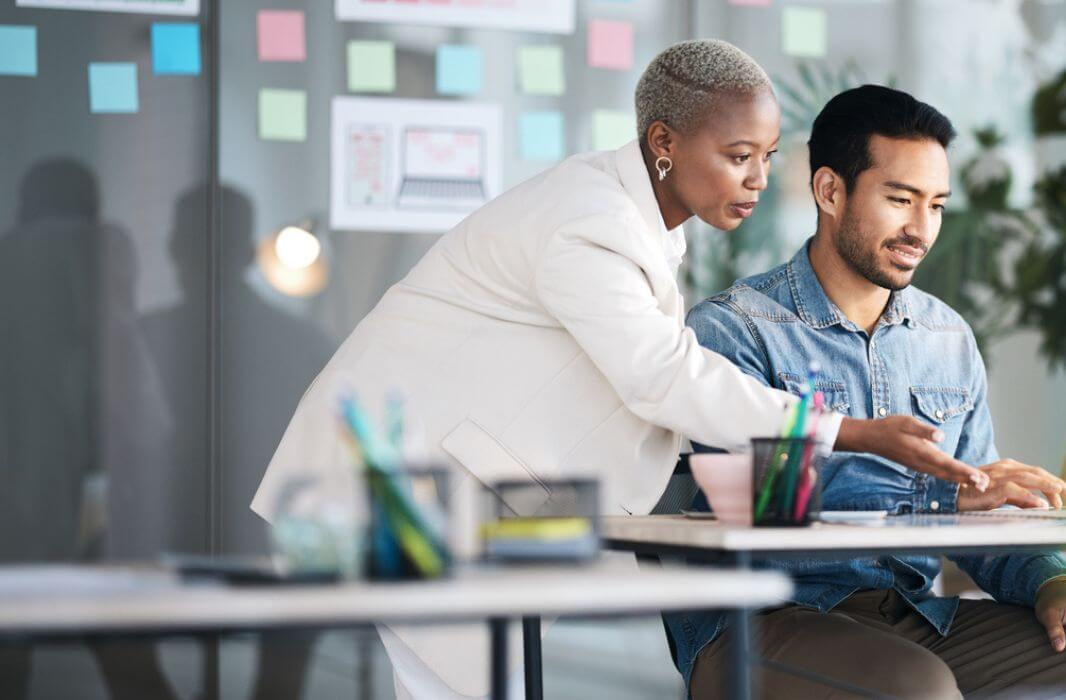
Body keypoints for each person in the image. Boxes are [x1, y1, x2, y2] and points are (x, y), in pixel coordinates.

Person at [252, 41, 990, 699]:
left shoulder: (639, 224)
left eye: (767, 157)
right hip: (389, 478)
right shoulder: (591, 220)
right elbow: (661, 376)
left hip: (448, 484)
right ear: (664, 142)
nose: (759, 179)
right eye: (738, 156)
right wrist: (855, 432)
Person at [668, 85, 1066, 699]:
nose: (920, 229)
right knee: (916, 687)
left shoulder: (946, 337)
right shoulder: (734, 329)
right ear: (829, 191)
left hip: (911, 616)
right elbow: (764, 511)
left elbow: (984, 516)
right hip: (764, 621)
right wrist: (939, 495)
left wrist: (1057, 585)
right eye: (900, 199)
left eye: (936, 205)